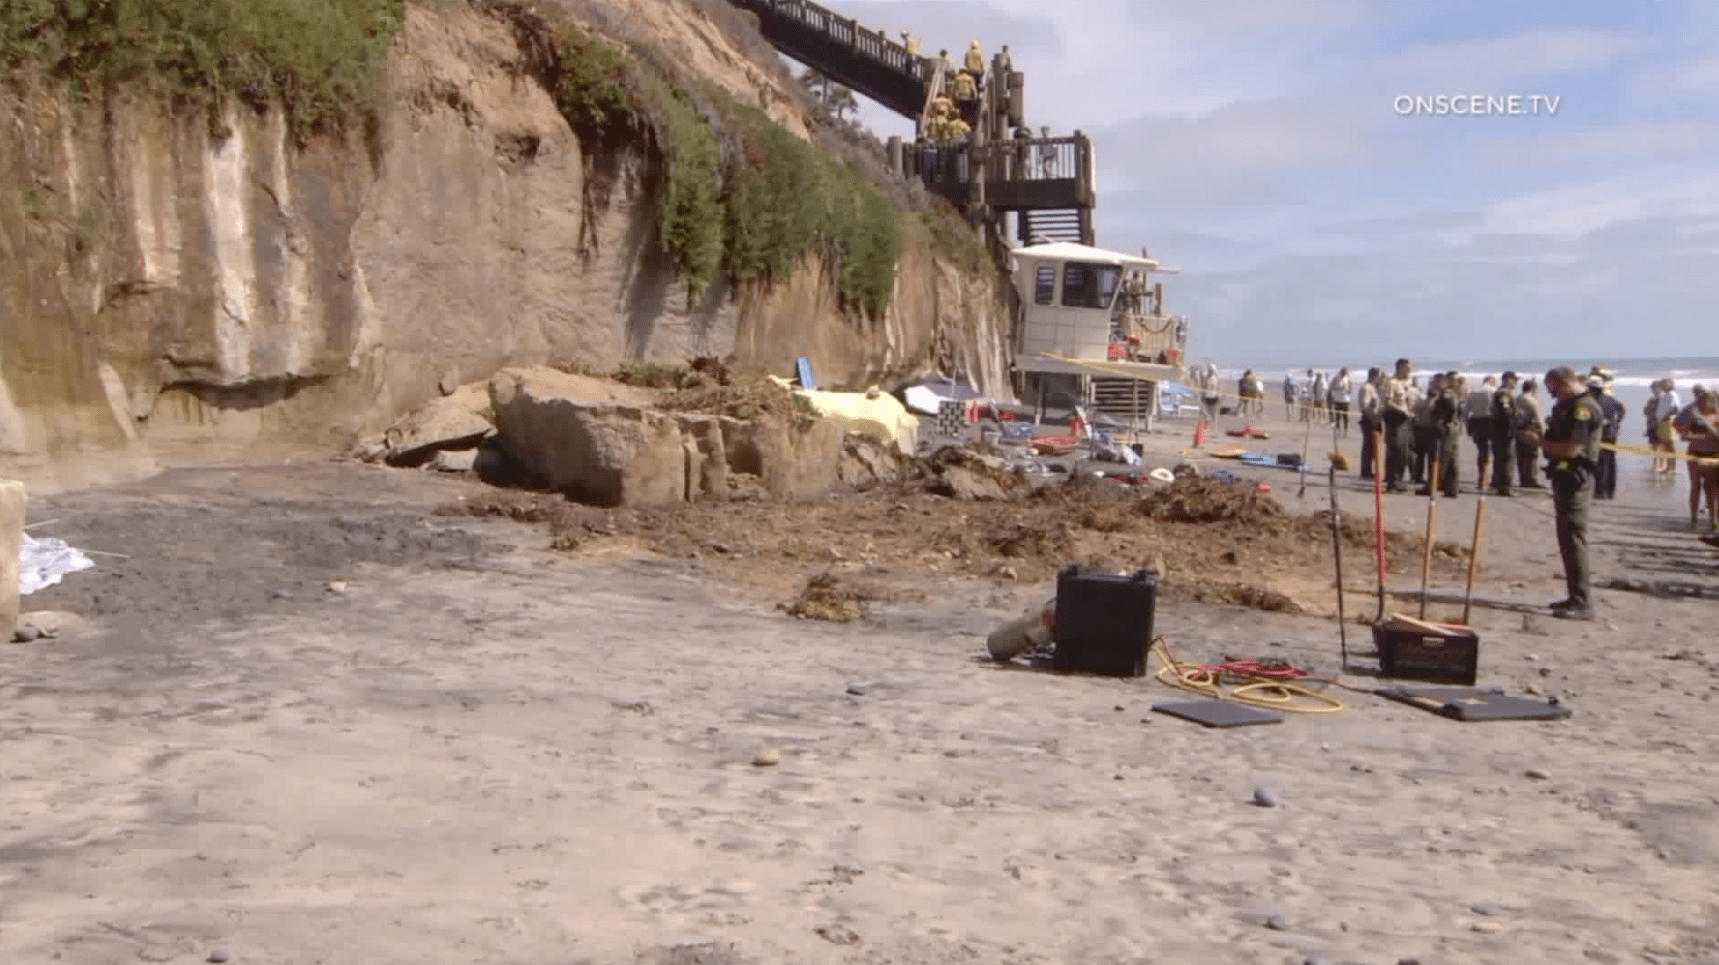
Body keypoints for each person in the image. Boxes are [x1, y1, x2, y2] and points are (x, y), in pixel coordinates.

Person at [1539, 366, 1605, 620]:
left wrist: (1541, 442)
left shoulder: (1583, 408)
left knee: (1575, 538)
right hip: (1563, 476)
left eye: (1554, 390)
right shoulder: (1566, 407)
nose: (1553, 396)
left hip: (1576, 478)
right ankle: (1574, 595)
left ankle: (1582, 601)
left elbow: (1572, 449)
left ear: (1564, 384)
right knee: (1566, 538)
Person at [1673, 386, 1719, 530]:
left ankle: (1713, 519)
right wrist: (1693, 434)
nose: (1700, 402)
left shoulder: (1716, 416)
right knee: (1695, 486)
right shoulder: (1694, 415)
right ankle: (1693, 518)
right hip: (1694, 453)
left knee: (1712, 489)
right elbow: (1684, 435)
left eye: (1703, 400)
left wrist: (1705, 425)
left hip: (1712, 455)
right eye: (1699, 399)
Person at [1417, 372, 1461, 497]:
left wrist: (1443, 419)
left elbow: (1450, 408)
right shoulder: (1454, 393)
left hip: (1445, 429)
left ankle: (1432, 486)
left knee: (1439, 458)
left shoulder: (1447, 393)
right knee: (1452, 459)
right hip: (1453, 428)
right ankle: (1452, 488)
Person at [1588, 367, 1625, 500]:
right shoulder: (1609, 398)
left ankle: (1600, 491)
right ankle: (1610, 491)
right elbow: (1621, 409)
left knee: (1601, 463)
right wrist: (1617, 422)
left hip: (1601, 435)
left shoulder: (1594, 401)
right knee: (1611, 462)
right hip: (1612, 434)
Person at [1382, 359, 1414, 493]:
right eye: (1407, 369)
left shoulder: (1404, 384)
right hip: (1394, 419)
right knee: (1395, 451)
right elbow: (1387, 401)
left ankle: (1399, 480)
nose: (1409, 371)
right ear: (1400, 369)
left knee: (1404, 453)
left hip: (1405, 421)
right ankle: (1392, 482)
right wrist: (1402, 411)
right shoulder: (1391, 383)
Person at [1489, 371, 1520, 496]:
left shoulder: (1503, 393)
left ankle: (1498, 484)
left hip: (1500, 430)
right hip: (1504, 431)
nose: (1516, 383)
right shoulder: (1504, 394)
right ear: (1507, 379)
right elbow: (1506, 412)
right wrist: (1513, 423)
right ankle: (1505, 487)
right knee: (1507, 459)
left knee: (1500, 459)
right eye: (1514, 380)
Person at [1467, 374, 1497, 491]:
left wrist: (1467, 426)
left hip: (1476, 422)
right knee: (1494, 452)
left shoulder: (1473, 392)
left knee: (1482, 451)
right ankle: (1488, 479)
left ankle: (1481, 478)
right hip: (1490, 421)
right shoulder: (1494, 391)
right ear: (1492, 381)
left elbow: (1466, 411)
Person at [1514, 378, 1544, 489]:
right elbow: (1538, 419)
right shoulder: (1532, 400)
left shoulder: (1517, 398)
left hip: (1518, 430)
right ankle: (1531, 480)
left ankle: (1523, 479)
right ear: (1533, 388)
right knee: (1531, 456)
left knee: (1521, 457)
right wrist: (1542, 432)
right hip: (1529, 431)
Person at [1653, 378, 1682, 475]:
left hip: (1668, 421)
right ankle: (1668, 466)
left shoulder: (1672, 394)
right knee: (1665, 444)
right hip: (1663, 421)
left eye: (1663, 384)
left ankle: (1672, 467)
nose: (1661, 386)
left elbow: (1676, 408)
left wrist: (1666, 417)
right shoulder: (1666, 395)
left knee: (1670, 444)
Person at [1358, 367, 1382, 479]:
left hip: (1373, 419)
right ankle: (1366, 471)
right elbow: (1364, 405)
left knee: (1372, 446)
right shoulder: (1367, 388)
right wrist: (1372, 415)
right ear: (1375, 376)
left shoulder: (1373, 388)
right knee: (1368, 446)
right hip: (1369, 420)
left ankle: (1368, 470)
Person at [1329, 367, 1352, 436]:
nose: (1345, 374)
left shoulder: (1348, 379)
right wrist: (1338, 389)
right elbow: (1331, 387)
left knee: (1346, 417)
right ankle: (1338, 431)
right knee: (1338, 417)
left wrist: (1347, 390)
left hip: (1346, 400)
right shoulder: (1336, 378)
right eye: (1344, 372)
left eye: (1346, 372)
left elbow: (1351, 389)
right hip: (1338, 400)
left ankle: (1345, 431)